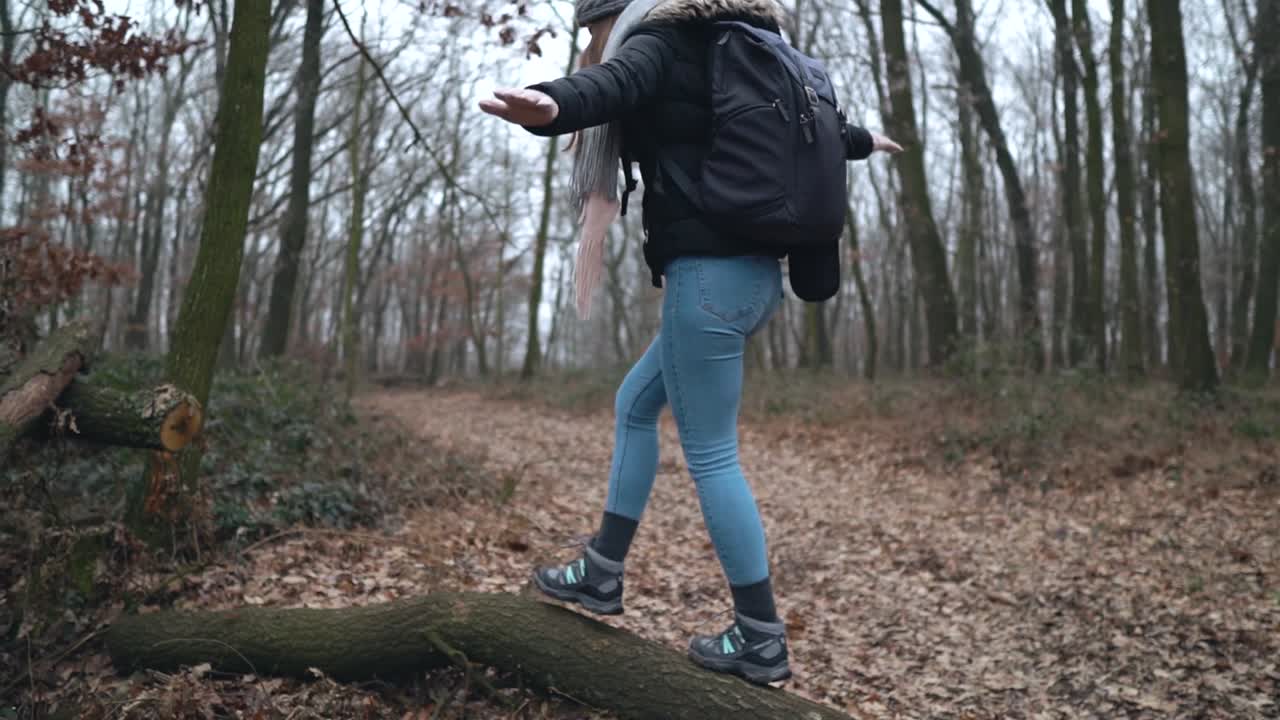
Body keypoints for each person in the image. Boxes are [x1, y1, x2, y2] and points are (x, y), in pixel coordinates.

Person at [479, 0, 902, 685]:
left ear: (616, 17)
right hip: (756, 281)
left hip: (706, 284)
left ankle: (761, 635)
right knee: (635, 405)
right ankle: (603, 570)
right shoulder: (747, 52)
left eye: (593, 31)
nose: (593, 45)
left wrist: (550, 106)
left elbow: (606, 87)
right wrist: (866, 141)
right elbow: (819, 133)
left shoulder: (661, 43)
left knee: (711, 456)